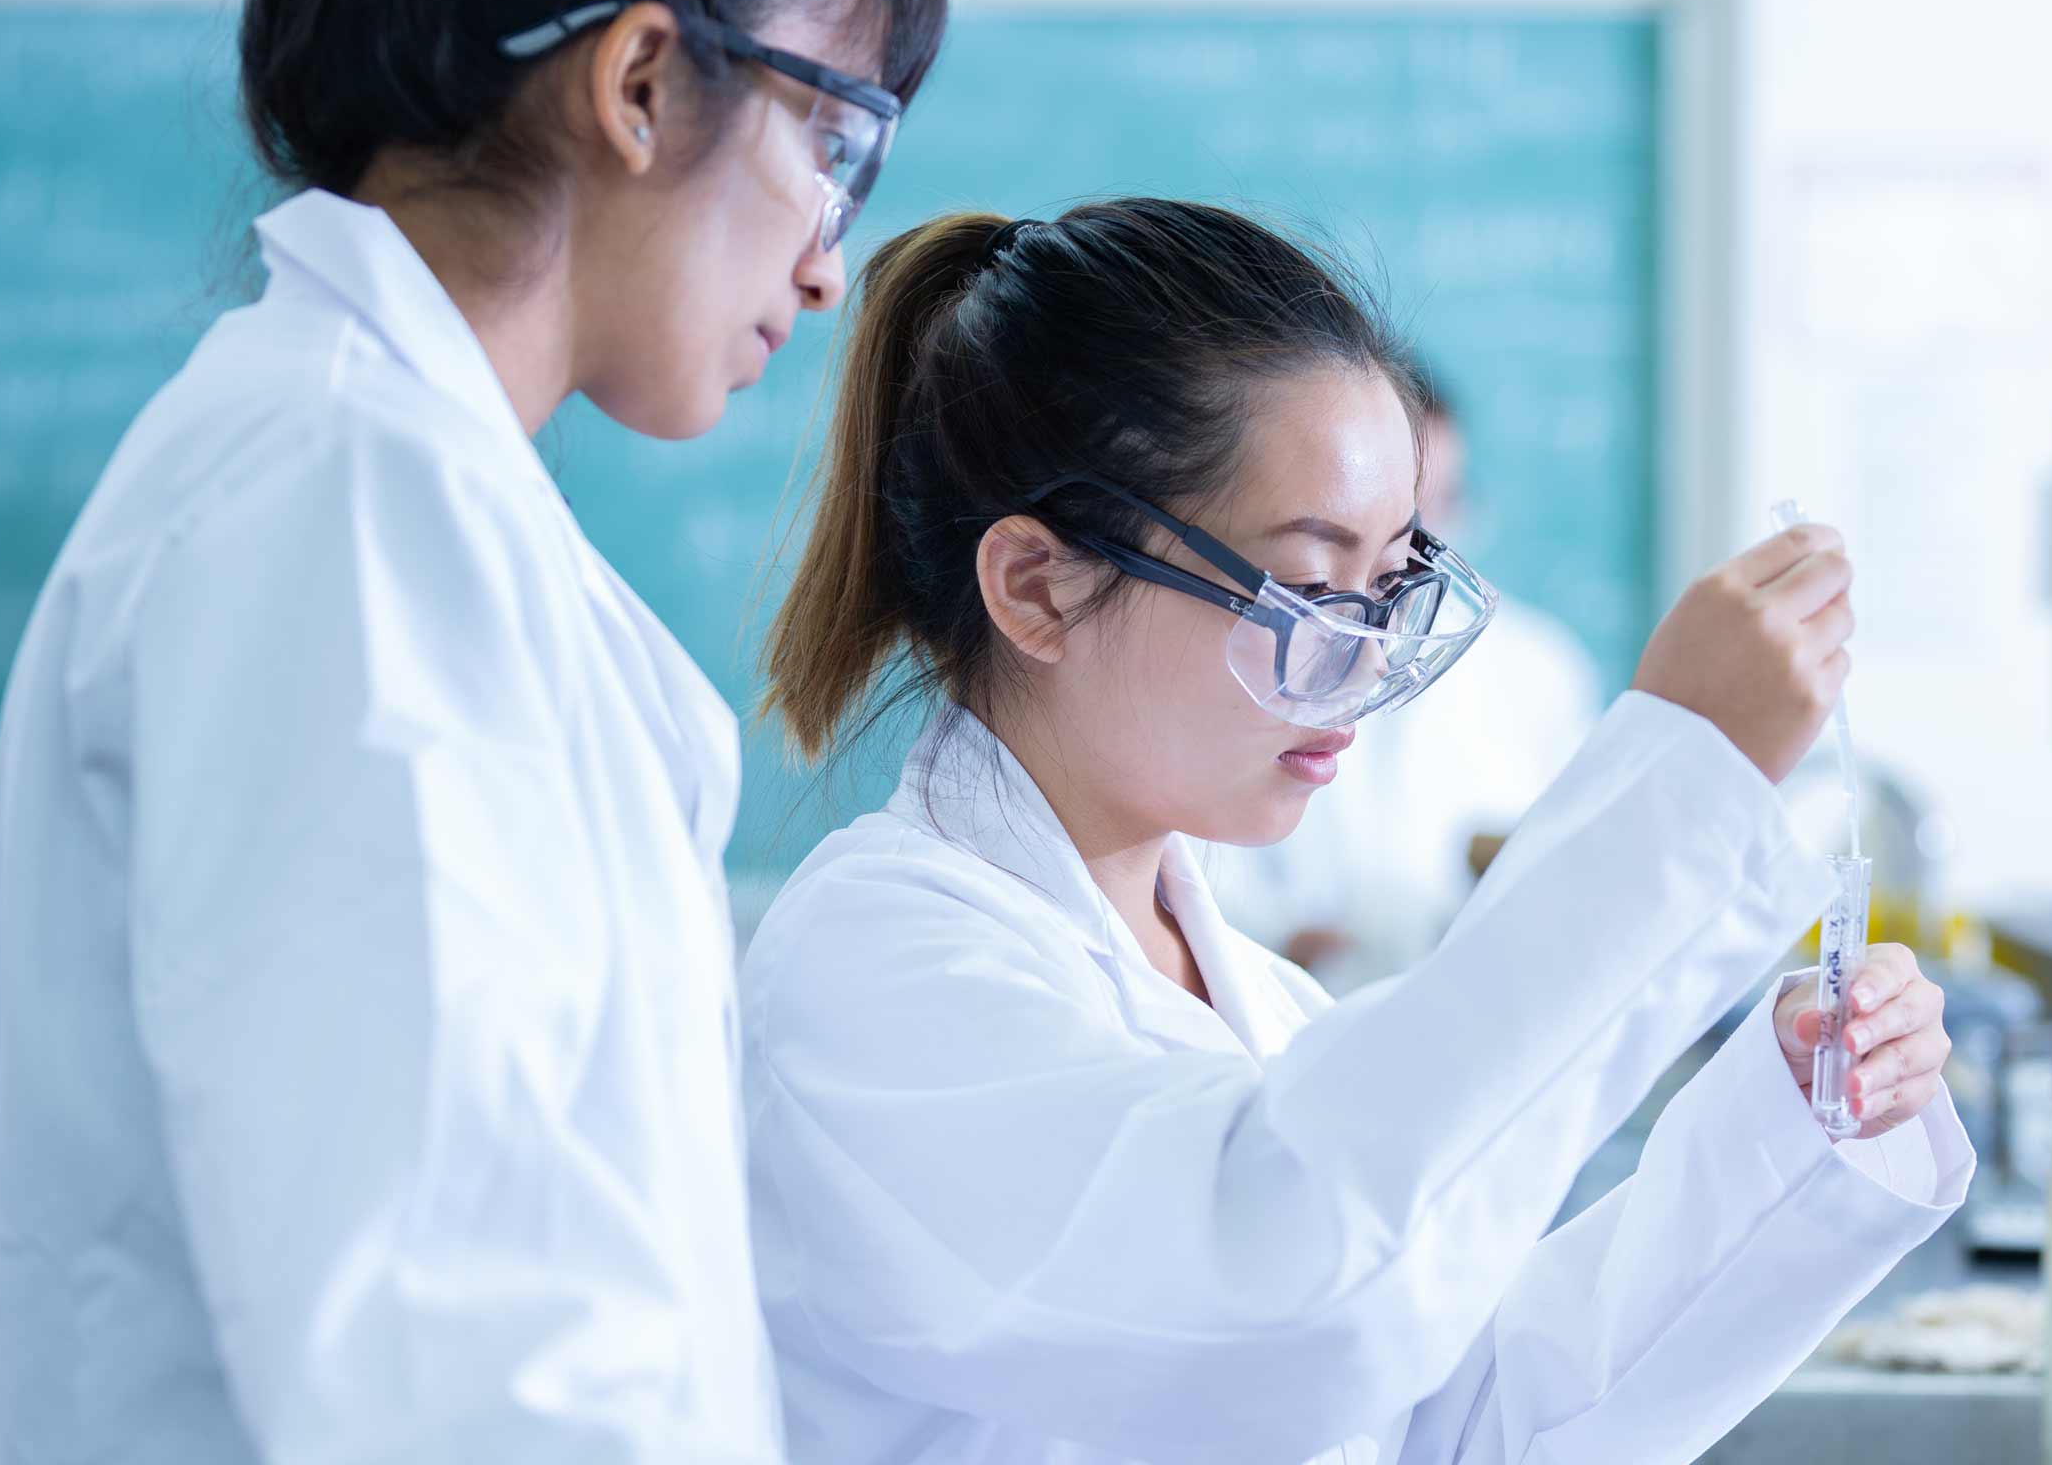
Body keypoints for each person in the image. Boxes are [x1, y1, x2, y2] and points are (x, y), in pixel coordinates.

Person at [744, 202, 1973, 1464]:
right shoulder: (875, 969)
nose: (1366, 673)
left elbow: (1460, 1417)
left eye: (1390, 588)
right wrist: (1678, 780)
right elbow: (1280, 1316)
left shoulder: (1261, 1003)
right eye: (1315, 590)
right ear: (1040, 587)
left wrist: (1787, 1121)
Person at [0, 0, 945, 1459]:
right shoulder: (346, 503)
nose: (830, 270)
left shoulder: (383, 481)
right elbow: (454, 1353)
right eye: (834, 141)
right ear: (638, 84)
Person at [1210, 362, 1606, 989]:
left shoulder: (1538, 668)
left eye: (1433, 512)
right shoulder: (1244, 650)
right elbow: (1192, 876)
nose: (1416, 555)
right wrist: (1291, 941)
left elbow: (1578, 879)